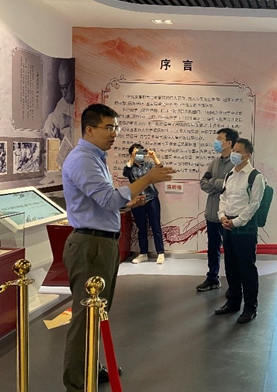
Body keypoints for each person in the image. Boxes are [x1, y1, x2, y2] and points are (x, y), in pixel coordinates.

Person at [62, 104, 175, 392]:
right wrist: (147, 179)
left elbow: (106, 202)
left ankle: (90, 364)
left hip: (101, 242)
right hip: (91, 245)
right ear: (89, 129)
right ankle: (77, 380)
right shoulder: (83, 160)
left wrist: (127, 203)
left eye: (116, 128)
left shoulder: (95, 157)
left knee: (99, 310)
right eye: (109, 127)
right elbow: (109, 199)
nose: (114, 133)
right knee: (86, 314)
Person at [214, 138, 265, 324]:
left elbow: (254, 204)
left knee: (247, 268)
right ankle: (233, 302)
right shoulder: (230, 174)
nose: (234, 153)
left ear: (247, 155)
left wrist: (236, 222)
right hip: (228, 225)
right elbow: (223, 198)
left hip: (244, 228)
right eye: (233, 149)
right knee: (231, 266)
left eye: (238, 151)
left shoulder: (255, 177)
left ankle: (250, 307)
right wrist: (222, 216)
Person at [196, 128, 238, 292]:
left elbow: (229, 186)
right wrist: (218, 184)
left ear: (229, 143)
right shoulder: (214, 163)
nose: (216, 141)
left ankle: (233, 284)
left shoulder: (235, 164)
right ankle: (212, 278)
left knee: (231, 250)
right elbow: (203, 183)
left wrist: (214, 182)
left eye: (220, 139)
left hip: (227, 216)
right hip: (211, 214)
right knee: (213, 249)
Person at [123, 143, 166, 264]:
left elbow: (160, 168)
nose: (139, 155)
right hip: (137, 201)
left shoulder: (148, 165)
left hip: (151, 198)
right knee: (141, 227)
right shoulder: (129, 168)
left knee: (155, 226)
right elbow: (125, 173)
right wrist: (132, 158)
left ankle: (160, 252)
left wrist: (153, 156)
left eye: (140, 152)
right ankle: (143, 253)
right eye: (136, 152)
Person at [44, 59, 75, 141]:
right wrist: (49, 128)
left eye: (66, 87)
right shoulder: (62, 103)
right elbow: (51, 119)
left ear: (74, 81)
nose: (63, 93)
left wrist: (70, 121)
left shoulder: (87, 99)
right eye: (61, 88)